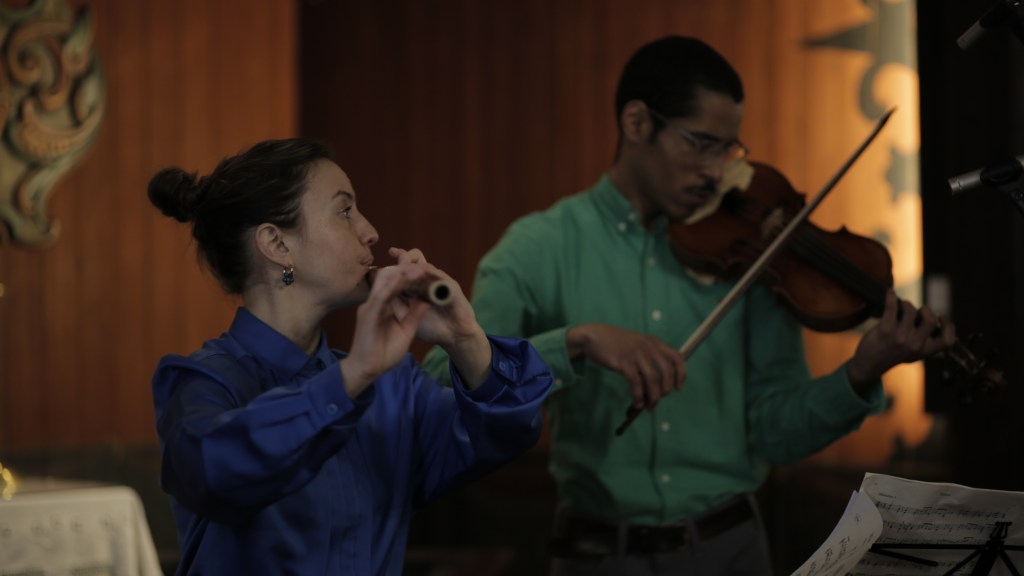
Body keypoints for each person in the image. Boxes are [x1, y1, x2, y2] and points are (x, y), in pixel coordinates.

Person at [422, 35, 955, 576]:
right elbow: (443, 379)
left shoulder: (751, 253)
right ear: (637, 123)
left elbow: (776, 433)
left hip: (731, 551)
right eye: (701, 144)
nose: (716, 171)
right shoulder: (538, 246)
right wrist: (575, 343)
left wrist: (862, 371)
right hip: (596, 558)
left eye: (728, 150)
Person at [147, 138, 553, 575]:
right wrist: (350, 379)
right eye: (345, 211)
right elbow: (214, 471)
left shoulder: (393, 386)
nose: (370, 231)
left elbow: (509, 433)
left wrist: (464, 338)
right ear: (277, 244)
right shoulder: (202, 380)